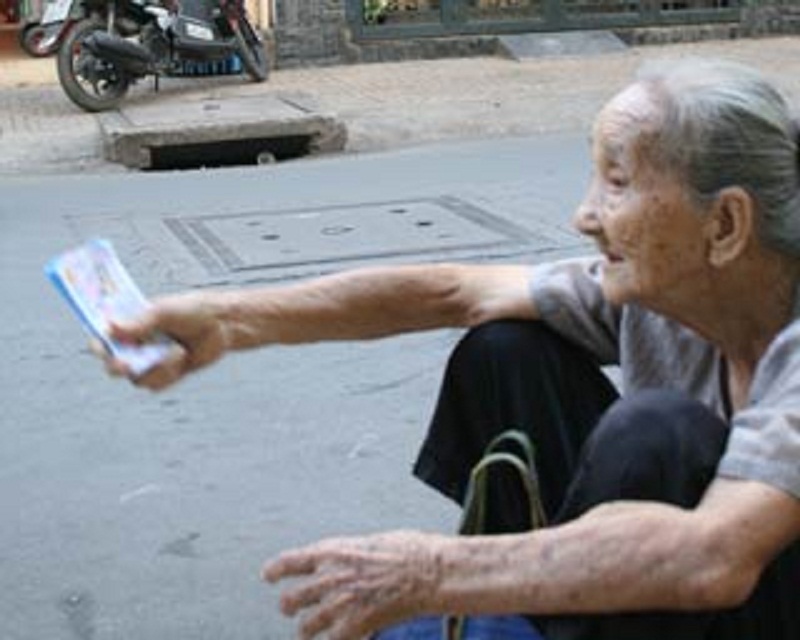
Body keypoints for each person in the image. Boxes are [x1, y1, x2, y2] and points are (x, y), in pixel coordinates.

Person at [98, 57, 800, 640]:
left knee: (655, 433)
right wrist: (228, 320)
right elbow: (452, 292)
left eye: (617, 182)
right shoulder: (663, 289)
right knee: (506, 347)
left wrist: (430, 573)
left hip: (752, 590)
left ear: (726, 224)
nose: (584, 215)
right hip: (690, 591)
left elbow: (713, 556)